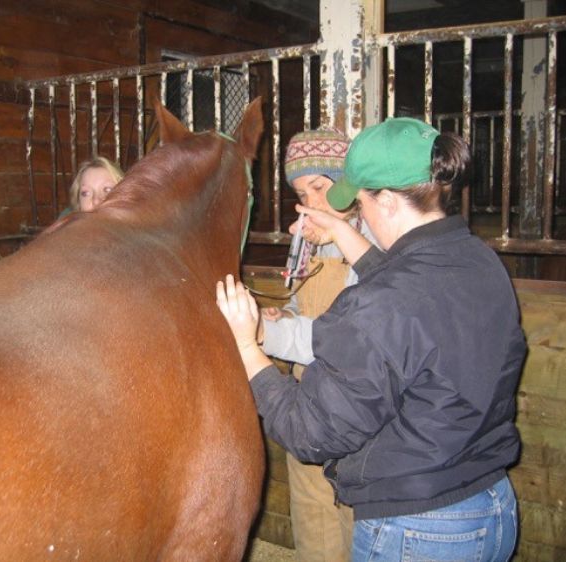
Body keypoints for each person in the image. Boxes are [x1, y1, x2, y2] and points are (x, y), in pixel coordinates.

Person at [217, 117, 525, 562]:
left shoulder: (382, 303)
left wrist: (248, 346)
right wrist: (342, 232)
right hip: (490, 504)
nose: (355, 212)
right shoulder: (477, 259)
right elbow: (400, 290)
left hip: (420, 529)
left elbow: (309, 433)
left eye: (359, 202)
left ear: (385, 200)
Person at [259, 129, 377, 562]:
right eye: (299, 192)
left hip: (358, 422)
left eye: (320, 187)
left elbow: (342, 343)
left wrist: (262, 336)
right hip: (307, 414)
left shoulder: (376, 246)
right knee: (314, 532)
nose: (309, 202)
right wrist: (281, 318)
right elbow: (299, 311)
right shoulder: (306, 244)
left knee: (357, 529)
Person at [60, 156, 124, 217]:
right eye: (86, 193)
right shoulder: (65, 226)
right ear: (79, 206)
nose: (96, 201)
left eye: (107, 190)